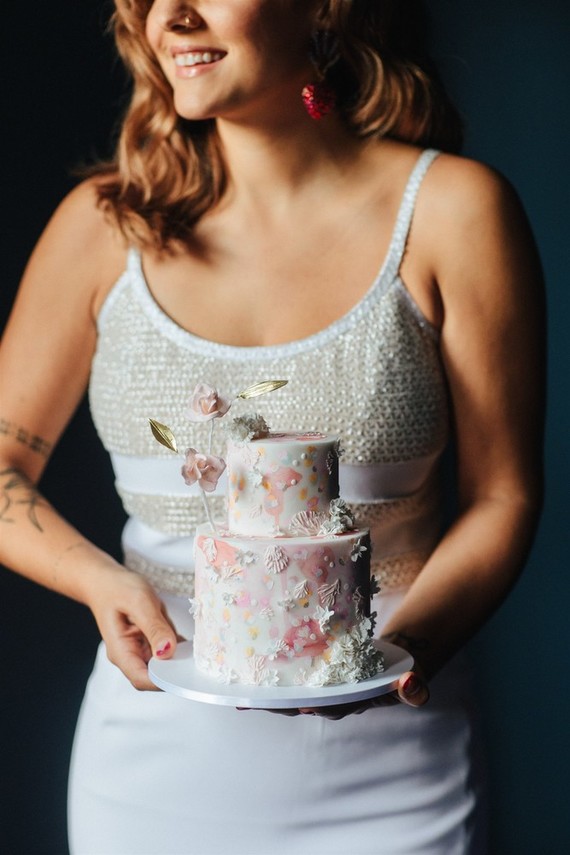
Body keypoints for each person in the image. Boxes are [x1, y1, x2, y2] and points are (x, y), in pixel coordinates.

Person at [0, 1, 545, 853]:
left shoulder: (455, 212)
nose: (174, 17)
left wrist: (394, 655)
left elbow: (503, 495)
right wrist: (100, 582)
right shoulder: (103, 226)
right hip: (151, 767)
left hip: (395, 766)